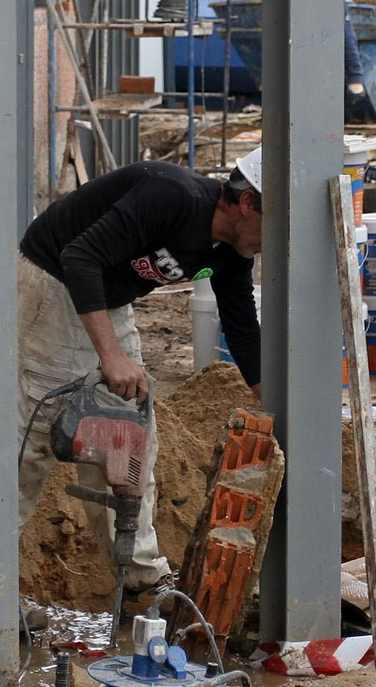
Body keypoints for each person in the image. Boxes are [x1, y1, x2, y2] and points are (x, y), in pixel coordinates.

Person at [16, 153, 264, 594]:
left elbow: (243, 331)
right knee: (30, 441)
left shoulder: (231, 252)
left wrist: (274, 403)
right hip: (52, 283)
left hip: (107, 299)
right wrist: (111, 357)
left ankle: (139, 581)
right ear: (247, 202)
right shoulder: (173, 197)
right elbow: (79, 256)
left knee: (128, 439)